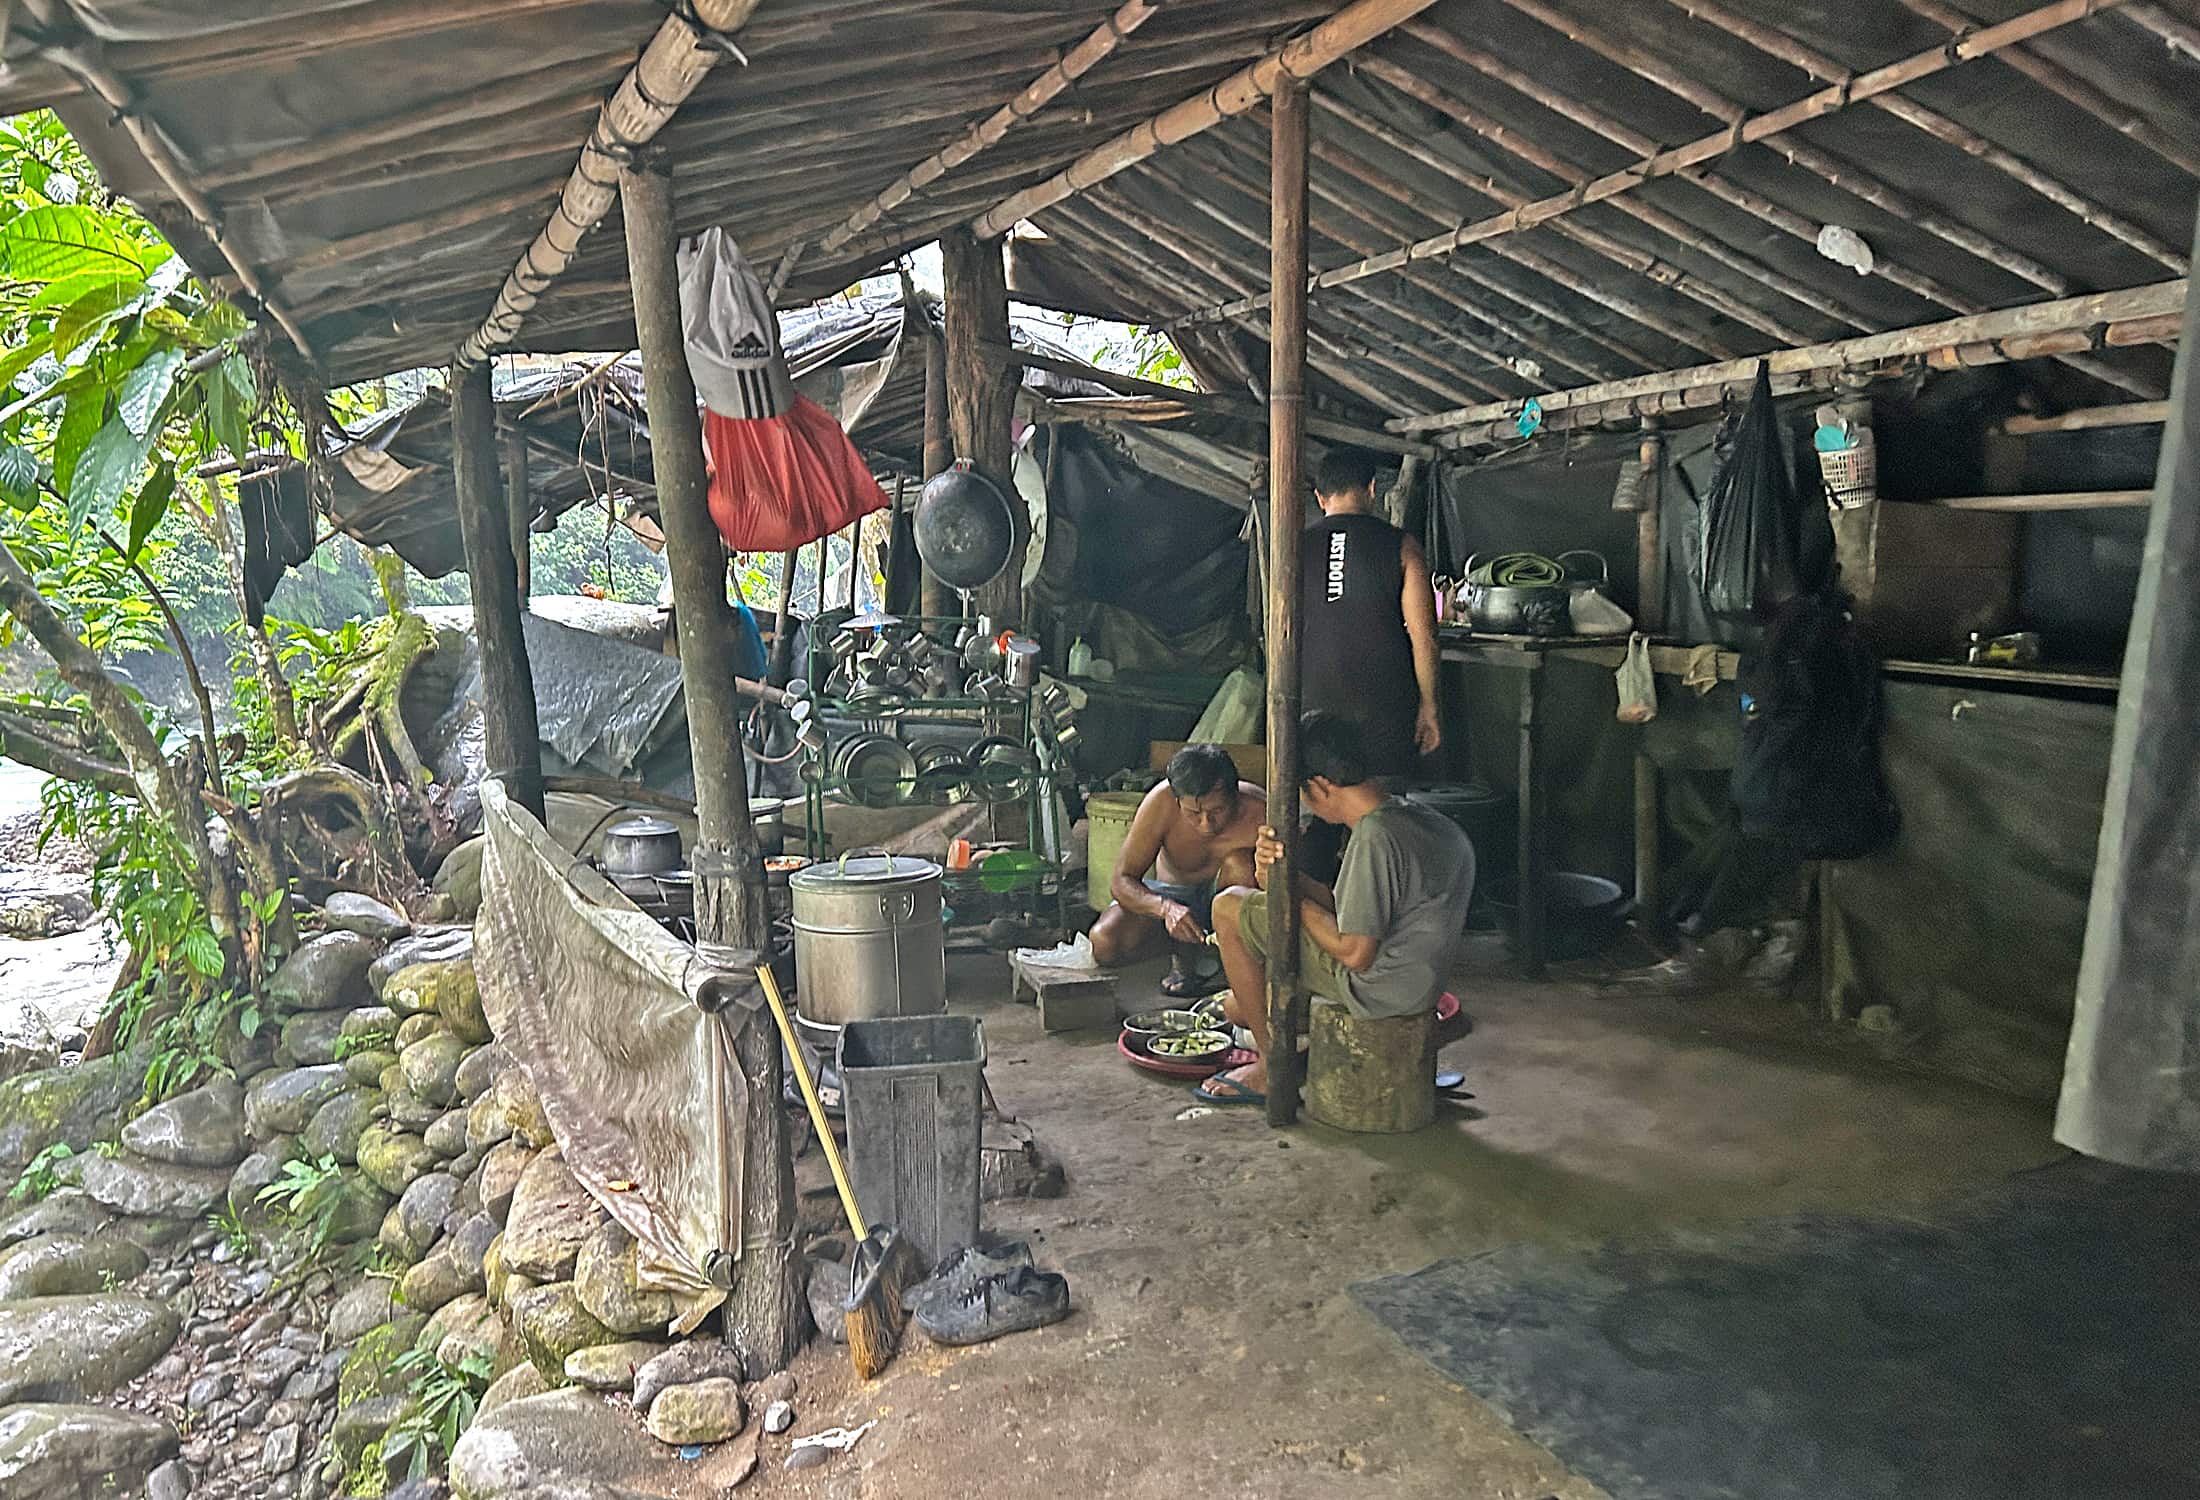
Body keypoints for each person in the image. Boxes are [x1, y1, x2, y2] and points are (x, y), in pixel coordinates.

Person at [1198, 712, 1474, 1106]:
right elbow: (1353, 910)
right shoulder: (1423, 820)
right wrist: (1288, 880)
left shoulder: (1375, 837)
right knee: (1234, 1006)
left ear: (1320, 786)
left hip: (1378, 988)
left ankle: (1270, 1068)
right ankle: (1299, 1048)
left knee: (1227, 908)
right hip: (1420, 984)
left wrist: (1289, 898)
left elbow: (1356, 953)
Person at [1301, 447, 1443, 783]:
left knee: (1317, 805)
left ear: (1320, 497)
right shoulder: (1403, 546)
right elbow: (1425, 637)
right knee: (1383, 805)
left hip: (1311, 703)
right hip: (1384, 704)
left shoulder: (1294, 547)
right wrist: (1430, 706)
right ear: (1372, 489)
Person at [1088, 743, 1264, 998]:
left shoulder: (1261, 812)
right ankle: (1185, 955)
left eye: (1217, 811)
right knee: (1105, 942)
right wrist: (1166, 909)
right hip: (1173, 897)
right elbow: (1121, 881)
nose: (1206, 824)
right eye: (1193, 813)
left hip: (1232, 907)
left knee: (1240, 864)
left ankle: (1232, 964)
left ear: (1234, 795)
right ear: (1177, 799)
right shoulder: (1161, 802)